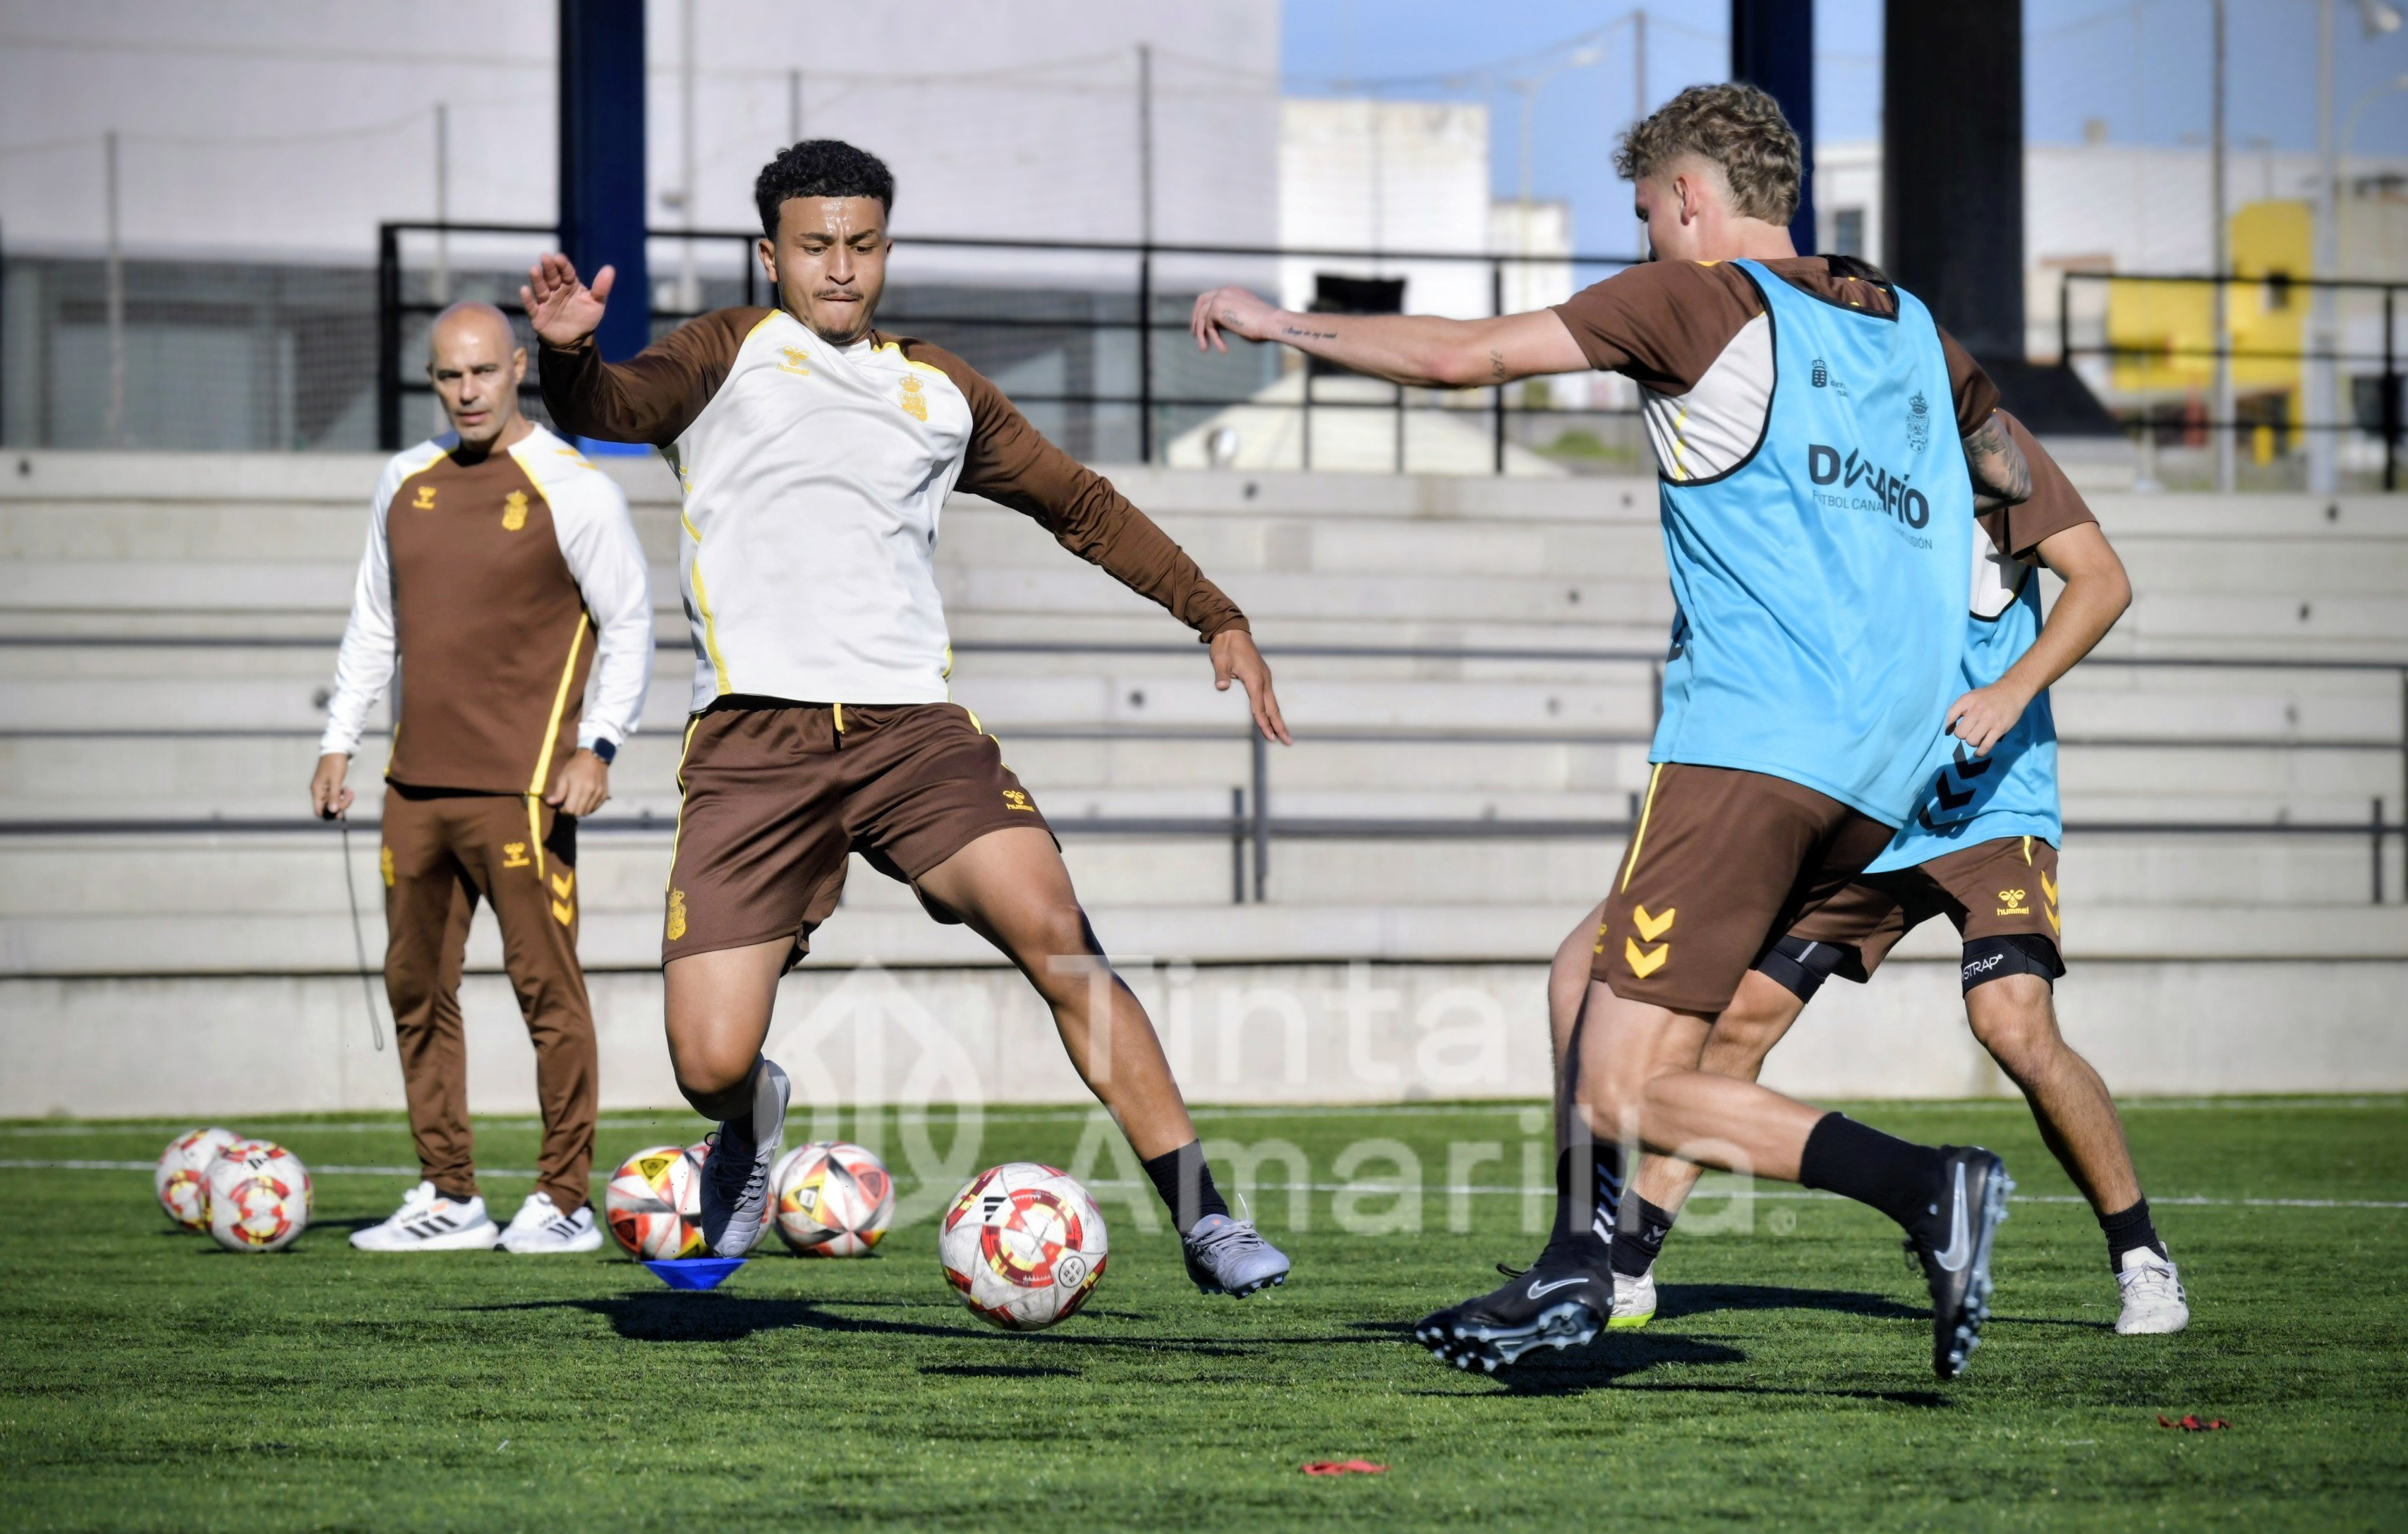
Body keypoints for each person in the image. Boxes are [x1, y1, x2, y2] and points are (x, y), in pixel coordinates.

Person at [1191, 83, 2032, 1377]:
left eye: (1647, 214)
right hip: (1886, 768)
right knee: (1581, 976)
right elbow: (2018, 478)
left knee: (1625, 1088)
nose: (1644, 240)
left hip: (1752, 748)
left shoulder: (1694, 297)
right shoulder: (1909, 330)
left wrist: (1274, 320)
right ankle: (1577, 1270)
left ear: (1691, 200)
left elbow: (1459, 357)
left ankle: (1926, 1190)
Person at [525, 138, 1295, 1296]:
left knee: (1062, 941)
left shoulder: (938, 387)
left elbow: (1076, 503)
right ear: (770, 253)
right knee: (708, 1057)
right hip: (754, 747)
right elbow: (617, 405)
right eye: (815, 245)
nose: (840, 268)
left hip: (913, 735)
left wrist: (1212, 611)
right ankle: (749, 1124)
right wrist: (568, 359)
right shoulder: (726, 352)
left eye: (863, 244)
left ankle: (1206, 1218)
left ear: (886, 247)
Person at [1604, 412, 2187, 1336]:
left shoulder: (1988, 444)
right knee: (1740, 1023)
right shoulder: (1813, 458)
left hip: (1990, 805)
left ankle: (2142, 1259)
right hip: (1867, 808)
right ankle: (1624, 1266)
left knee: (2012, 1025)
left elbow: (2103, 582)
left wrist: (2012, 689)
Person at [315, 301, 654, 1254]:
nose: (466, 392)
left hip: (524, 789)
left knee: (547, 993)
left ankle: (564, 1199)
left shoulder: (572, 487)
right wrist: (339, 739)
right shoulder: (404, 479)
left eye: (482, 373)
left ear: (516, 368)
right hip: (412, 787)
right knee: (415, 990)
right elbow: (374, 624)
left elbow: (629, 623)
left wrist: (602, 745)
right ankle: (449, 1193)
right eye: (447, 377)